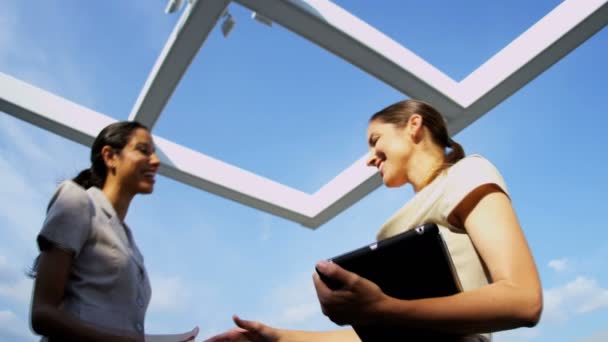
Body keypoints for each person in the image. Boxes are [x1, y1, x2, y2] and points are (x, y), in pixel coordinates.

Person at [205, 99, 543, 341]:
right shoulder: (392, 230)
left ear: (414, 124)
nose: (369, 159)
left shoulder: (467, 172)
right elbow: (385, 328)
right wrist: (276, 337)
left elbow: (523, 300)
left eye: (374, 140)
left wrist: (385, 309)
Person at [29, 121, 196, 341]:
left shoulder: (129, 241)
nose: (155, 161)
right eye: (143, 151)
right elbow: (42, 314)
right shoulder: (77, 201)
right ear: (109, 156)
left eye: (154, 154)